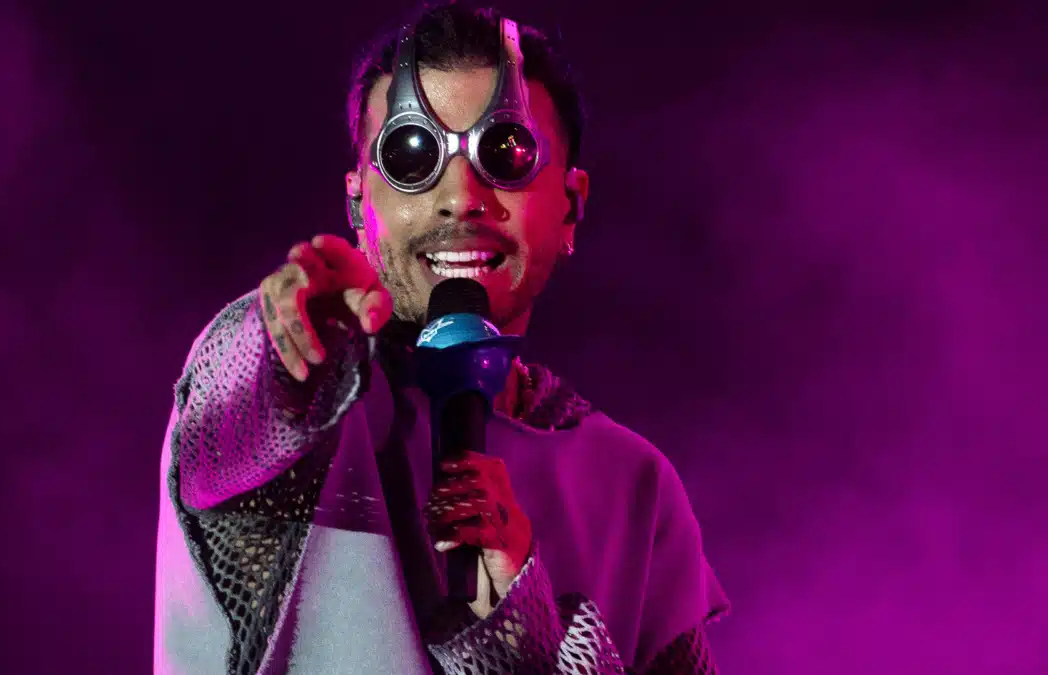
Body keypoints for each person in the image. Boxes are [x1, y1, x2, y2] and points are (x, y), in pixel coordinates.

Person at [154, 4, 729, 673]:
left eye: (507, 153)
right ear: (358, 203)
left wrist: (520, 632)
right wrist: (291, 349)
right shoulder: (300, 401)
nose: (460, 196)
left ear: (571, 206)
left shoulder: (634, 486)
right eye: (411, 155)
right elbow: (229, 422)